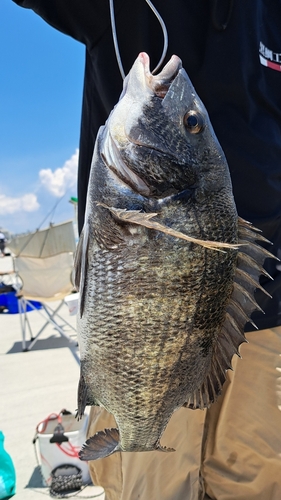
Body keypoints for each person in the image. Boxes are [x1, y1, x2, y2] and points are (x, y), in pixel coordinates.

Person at [11, 1, 281, 499]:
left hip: (272, 306)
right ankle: (137, 431)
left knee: (261, 483)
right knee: (150, 490)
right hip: (139, 339)